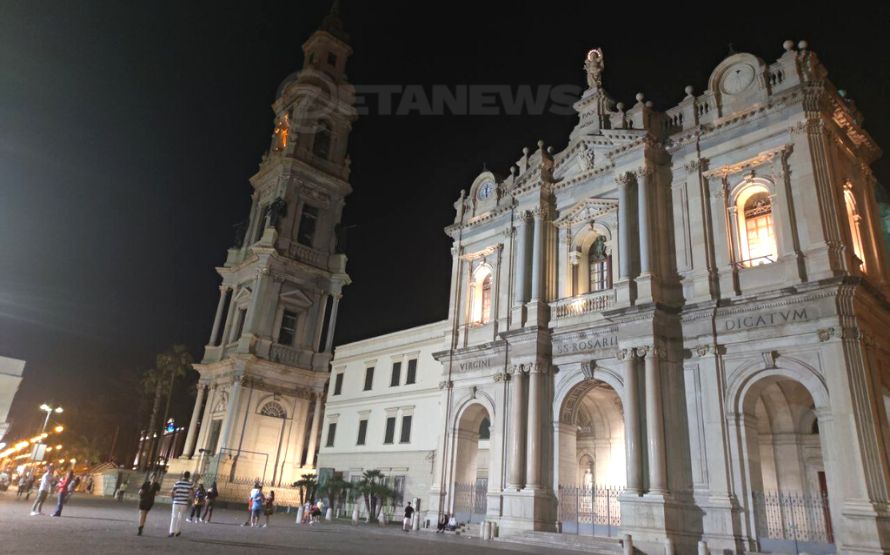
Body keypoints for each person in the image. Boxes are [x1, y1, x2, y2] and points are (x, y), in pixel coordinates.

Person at [168, 471, 194, 538]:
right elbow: (191, 494)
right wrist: (192, 501)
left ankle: (171, 532)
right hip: (184, 503)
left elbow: (172, 492)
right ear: (189, 476)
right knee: (181, 517)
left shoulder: (177, 483)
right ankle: (177, 531)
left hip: (176, 502)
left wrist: (173, 499)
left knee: (174, 517)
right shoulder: (190, 484)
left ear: (183, 475)